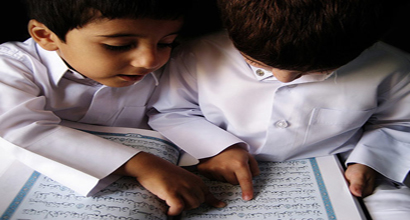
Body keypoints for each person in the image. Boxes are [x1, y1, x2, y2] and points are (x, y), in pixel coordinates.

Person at [148, 0, 410, 218]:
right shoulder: (198, 54)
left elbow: (400, 123)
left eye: (315, 70)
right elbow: (171, 112)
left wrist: (371, 161)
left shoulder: (393, 67)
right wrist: (217, 149)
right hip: (215, 170)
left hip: (345, 170)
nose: (284, 77)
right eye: (256, 62)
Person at [0, 0, 225, 215]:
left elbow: (177, 111)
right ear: (46, 36)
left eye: (165, 43)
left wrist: (218, 149)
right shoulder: (9, 66)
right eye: (119, 45)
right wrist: (144, 165)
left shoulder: (168, 65)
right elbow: (19, 128)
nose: (149, 61)